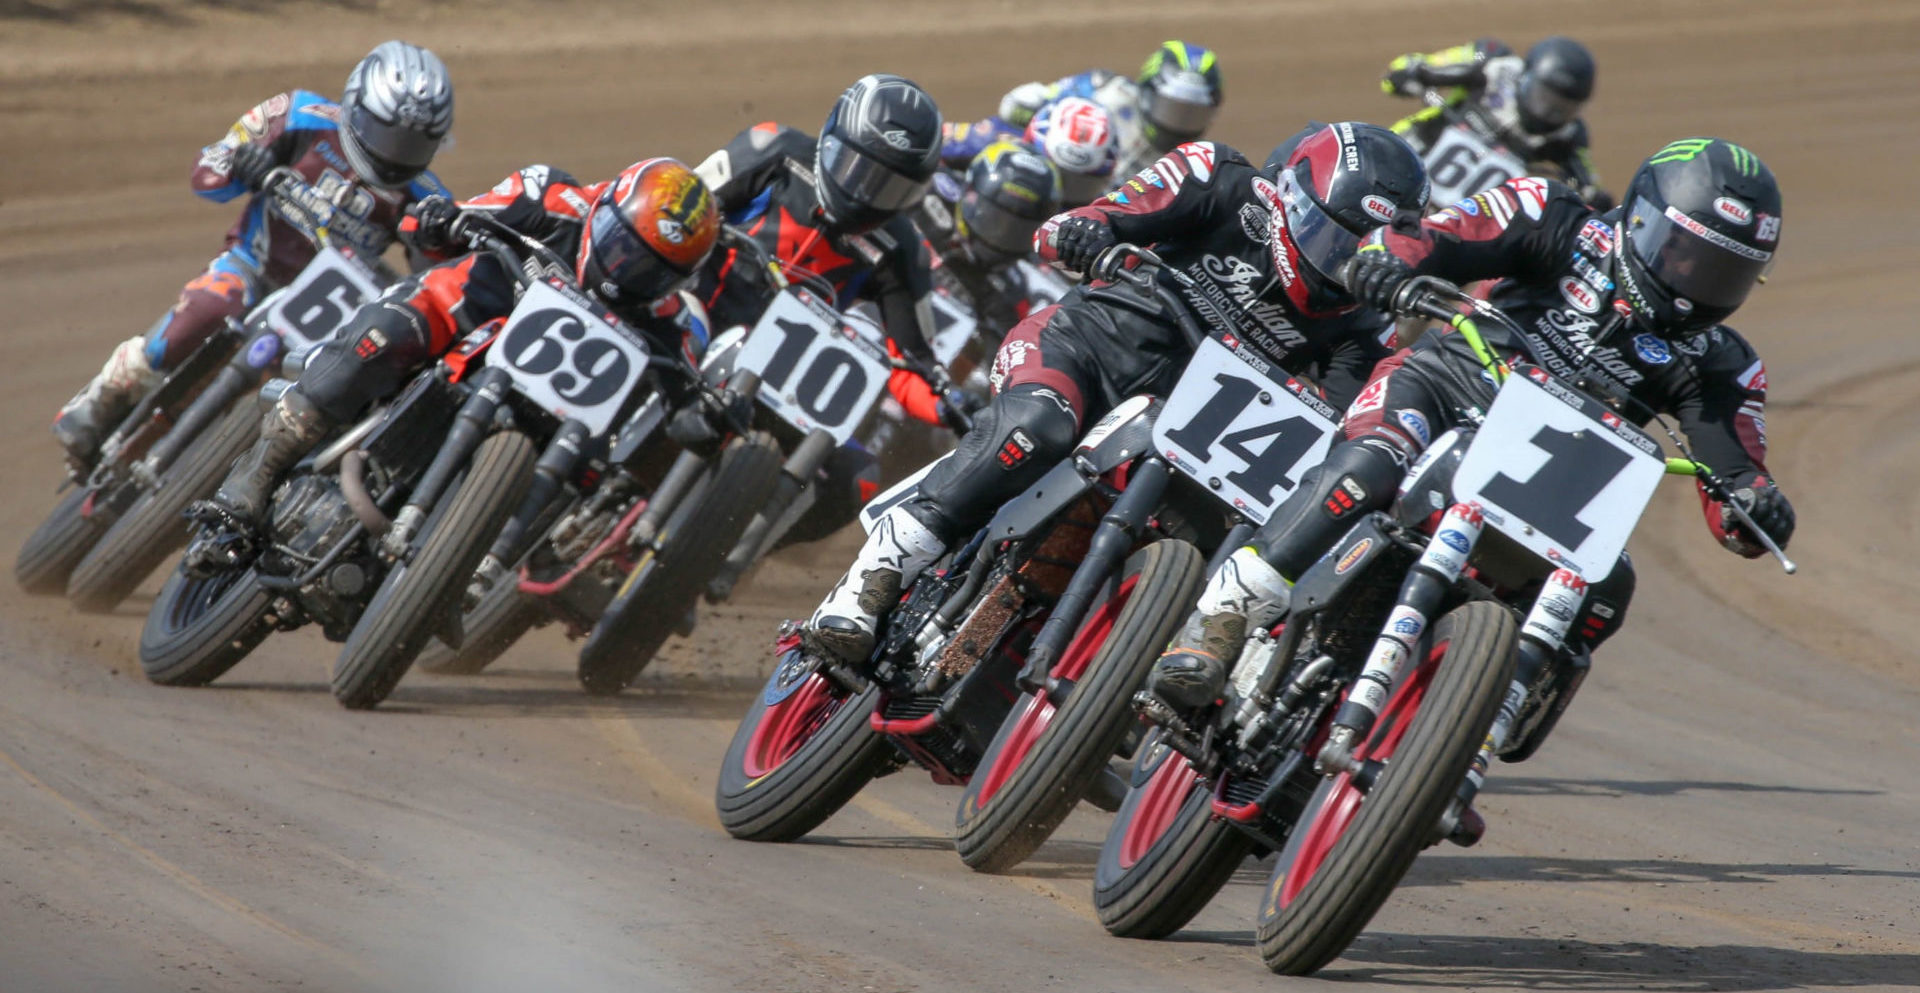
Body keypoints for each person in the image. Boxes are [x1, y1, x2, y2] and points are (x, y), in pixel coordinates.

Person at [1148, 138, 1797, 714]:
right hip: (1442, 389)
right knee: (1373, 459)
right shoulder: (1554, 216)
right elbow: (1442, 236)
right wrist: (1391, 258)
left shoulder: (1727, 364)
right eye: (1684, 256)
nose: (1693, 283)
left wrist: (1754, 507)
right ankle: (1222, 617)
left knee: (1611, 580)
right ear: (1642, 218)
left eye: (1723, 272)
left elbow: (1735, 469)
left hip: (1552, 482)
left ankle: (1490, 714)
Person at [802, 122, 1429, 665]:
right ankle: (873, 577)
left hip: (1194, 439)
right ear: (1288, 198)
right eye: (1329, 236)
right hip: (1080, 352)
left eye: (1358, 252)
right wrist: (1081, 232)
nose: (1335, 262)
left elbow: (1335, 426)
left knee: (1235, 530)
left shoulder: (1365, 322)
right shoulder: (1215, 176)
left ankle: (1109, 680)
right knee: (1035, 430)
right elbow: (1090, 218)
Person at [205, 158, 723, 526]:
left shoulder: (675, 320)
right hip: (455, 312)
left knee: (581, 481)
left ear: (678, 281)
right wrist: (435, 219)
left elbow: (680, 405)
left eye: (651, 271)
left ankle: (454, 571)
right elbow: (442, 219)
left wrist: (699, 418)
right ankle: (260, 467)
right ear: (605, 207)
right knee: (380, 339)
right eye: (623, 247)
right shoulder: (548, 195)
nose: (627, 271)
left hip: (547, 415)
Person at [51, 40, 455, 465]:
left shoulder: (426, 198)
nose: (392, 153)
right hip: (252, 266)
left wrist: (427, 253)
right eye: (385, 133)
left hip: (331, 318)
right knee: (207, 308)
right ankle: (101, 397)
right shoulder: (299, 114)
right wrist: (244, 164)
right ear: (356, 103)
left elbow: (434, 286)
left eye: (411, 145)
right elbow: (210, 168)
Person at [692, 73, 963, 428]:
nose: (865, 195)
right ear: (832, 140)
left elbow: (915, 365)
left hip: (776, 383)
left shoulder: (904, 251)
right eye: (859, 170)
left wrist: (949, 406)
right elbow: (680, 201)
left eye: (889, 188)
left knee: (854, 475)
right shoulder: (772, 148)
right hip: (690, 312)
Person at [1382, 36, 1608, 208]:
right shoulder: (1490, 60)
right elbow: (1406, 68)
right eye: (1544, 99)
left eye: (1562, 109)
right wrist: (1413, 74)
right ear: (1525, 78)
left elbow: (1589, 188)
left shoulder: (1569, 137)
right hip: (1401, 161)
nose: (1548, 112)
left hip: (1457, 223)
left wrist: (1595, 199)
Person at [997, 40, 1224, 183]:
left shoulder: (1195, 166)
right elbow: (1014, 106)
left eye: (1193, 114)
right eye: (1173, 109)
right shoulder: (1103, 90)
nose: (1179, 123)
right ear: (1147, 92)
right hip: (1041, 183)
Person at [913, 139, 1063, 341]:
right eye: (995, 218)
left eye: (1018, 230)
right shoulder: (926, 188)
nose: (1001, 235)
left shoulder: (1011, 297)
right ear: (970, 193)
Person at [940, 96, 1118, 206]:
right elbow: (927, 144)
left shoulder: (1106, 207)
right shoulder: (987, 138)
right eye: (1055, 174)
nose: (1059, 195)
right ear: (1030, 142)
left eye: (1080, 186)